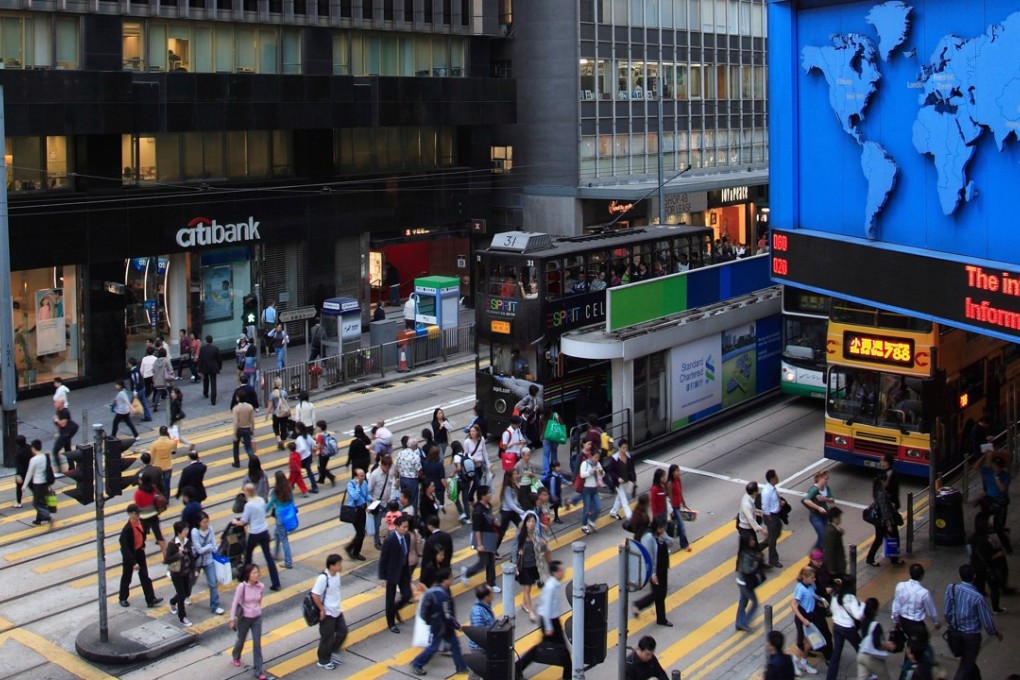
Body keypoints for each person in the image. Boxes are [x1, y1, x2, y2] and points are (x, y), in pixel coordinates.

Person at [945, 563, 1003, 680]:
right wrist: (995, 632)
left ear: (960, 575)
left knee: (969, 659)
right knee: (966, 663)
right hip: (972, 636)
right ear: (974, 577)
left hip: (956, 632)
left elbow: (947, 612)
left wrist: (952, 623)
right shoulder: (977, 597)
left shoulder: (951, 588)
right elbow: (986, 620)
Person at [517, 560, 570, 680]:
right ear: (555, 573)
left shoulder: (554, 584)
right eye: (561, 570)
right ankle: (569, 676)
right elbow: (546, 609)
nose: (563, 572)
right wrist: (549, 627)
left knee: (540, 648)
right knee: (563, 651)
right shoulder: (551, 586)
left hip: (552, 620)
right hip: (550, 622)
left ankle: (517, 667)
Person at [410, 568, 467, 676]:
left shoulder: (437, 589)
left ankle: (461, 667)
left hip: (440, 623)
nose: (452, 578)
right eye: (450, 577)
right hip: (441, 625)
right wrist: (457, 626)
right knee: (434, 646)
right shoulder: (441, 595)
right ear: (445, 580)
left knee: (455, 644)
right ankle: (417, 663)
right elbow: (446, 614)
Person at [232, 483, 282, 592]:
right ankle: (276, 583)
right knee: (268, 558)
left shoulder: (248, 505)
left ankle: (243, 579)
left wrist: (235, 522)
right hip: (264, 532)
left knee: (248, 557)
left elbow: (243, 521)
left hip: (254, 534)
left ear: (247, 492)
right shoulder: (261, 500)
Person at [117, 504, 162, 608]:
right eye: (135, 513)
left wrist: (142, 544)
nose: (138, 514)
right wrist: (133, 562)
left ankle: (150, 599)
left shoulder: (141, 522)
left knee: (145, 576)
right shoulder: (127, 529)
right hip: (130, 555)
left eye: (138, 512)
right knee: (127, 577)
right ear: (130, 514)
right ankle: (122, 598)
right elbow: (125, 548)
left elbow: (143, 534)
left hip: (140, 552)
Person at [633, 518, 674, 626]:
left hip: (663, 568)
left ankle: (661, 619)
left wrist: (664, 536)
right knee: (657, 593)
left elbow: (671, 543)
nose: (663, 529)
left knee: (662, 593)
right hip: (655, 570)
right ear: (656, 527)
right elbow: (649, 557)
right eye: (661, 528)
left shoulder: (660, 536)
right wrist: (652, 574)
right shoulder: (649, 538)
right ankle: (638, 604)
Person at [229, 563, 267, 680]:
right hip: (244, 618)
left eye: (257, 572)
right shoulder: (242, 587)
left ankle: (258, 671)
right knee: (241, 639)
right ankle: (236, 656)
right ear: (248, 575)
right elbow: (235, 603)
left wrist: (257, 610)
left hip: (257, 618)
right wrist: (231, 619)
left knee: (257, 644)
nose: (256, 575)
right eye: (254, 573)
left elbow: (259, 601)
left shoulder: (261, 586)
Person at [312, 554, 349, 669]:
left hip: (337, 610)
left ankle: (332, 651)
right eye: (338, 564)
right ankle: (323, 660)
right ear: (332, 566)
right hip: (327, 613)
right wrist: (322, 610)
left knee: (343, 632)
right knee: (327, 638)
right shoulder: (323, 578)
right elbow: (315, 594)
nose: (340, 566)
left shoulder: (337, 575)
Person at [379, 514, 414, 633]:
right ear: (397, 527)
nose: (406, 529)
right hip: (392, 574)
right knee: (390, 599)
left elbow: (406, 553)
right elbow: (383, 559)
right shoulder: (390, 540)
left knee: (407, 595)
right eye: (404, 527)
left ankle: (395, 609)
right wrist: (382, 577)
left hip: (404, 571)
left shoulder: (407, 537)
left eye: (407, 527)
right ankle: (391, 623)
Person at [791, 566, 829, 675]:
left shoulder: (811, 585)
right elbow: (793, 605)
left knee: (810, 641)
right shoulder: (800, 588)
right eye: (812, 577)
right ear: (805, 577)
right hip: (803, 617)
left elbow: (812, 596)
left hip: (812, 616)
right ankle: (796, 661)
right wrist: (803, 620)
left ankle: (801, 661)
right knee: (804, 642)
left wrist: (820, 602)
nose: (814, 579)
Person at [462, 485, 500, 593]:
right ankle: (467, 572)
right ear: (483, 496)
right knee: (483, 562)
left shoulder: (488, 505)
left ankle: (491, 583)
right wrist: (479, 544)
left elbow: (490, 516)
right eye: (488, 493)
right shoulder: (478, 511)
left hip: (490, 536)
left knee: (491, 561)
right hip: (482, 538)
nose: (490, 494)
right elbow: (476, 529)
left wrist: (494, 521)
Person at [891, 563, 941, 645]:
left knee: (912, 642)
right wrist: (936, 623)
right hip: (916, 624)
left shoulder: (900, 586)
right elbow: (932, 612)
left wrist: (896, 621)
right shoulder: (924, 593)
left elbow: (896, 605)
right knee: (919, 645)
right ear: (922, 576)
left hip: (903, 621)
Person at [826, 578, 864, 680]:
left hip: (836, 627)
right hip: (848, 628)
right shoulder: (850, 598)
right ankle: (869, 674)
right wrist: (863, 605)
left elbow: (831, 609)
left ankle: (830, 677)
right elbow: (857, 616)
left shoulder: (835, 595)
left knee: (836, 654)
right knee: (861, 650)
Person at [866, 471, 904, 566]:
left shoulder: (877, 491)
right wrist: (889, 524)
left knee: (880, 539)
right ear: (883, 481)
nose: (887, 482)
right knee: (892, 538)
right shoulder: (881, 493)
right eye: (886, 481)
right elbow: (885, 510)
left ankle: (871, 558)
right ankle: (893, 559)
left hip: (879, 521)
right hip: (883, 522)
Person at [979, 449, 1012, 553]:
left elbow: (1002, 489)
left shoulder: (1005, 476)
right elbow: (975, 467)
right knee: (987, 524)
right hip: (989, 501)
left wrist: (996, 476)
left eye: (996, 466)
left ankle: (1004, 544)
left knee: (998, 525)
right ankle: (992, 543)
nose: (994, 467)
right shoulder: (988, 472)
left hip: (1000, 503)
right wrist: (984, 456)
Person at [191, 512, 224, 615]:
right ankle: (185, 595)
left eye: (207, 522)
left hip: (209, 560)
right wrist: (210, 547)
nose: (206, 524)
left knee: (213, 583)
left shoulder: (210, 529)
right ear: (199, 522)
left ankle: (215, 606)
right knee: (191, 581)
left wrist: (213, 547)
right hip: (197, 561)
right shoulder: (195, 532)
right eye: (204, 522)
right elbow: (199, 550)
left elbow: (214, 544)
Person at [165, 520, 195, 627]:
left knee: (186, 593)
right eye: (185, 530)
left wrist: (193, 570)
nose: (187, 531)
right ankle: (182, 617)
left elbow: (191, 557)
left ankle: (173, 602)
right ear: (179, 531)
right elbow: (167, 559)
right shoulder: (173, 544)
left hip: (186, 572)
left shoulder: (187, 541)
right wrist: (178, 554)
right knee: (182, 595)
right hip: (177, 574)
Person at [856, 597, 896, 680]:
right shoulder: (876, 625)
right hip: (871, 658)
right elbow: (876, 644)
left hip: (861, 654)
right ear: (875, 610)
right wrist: (888, 646)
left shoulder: (863, 621)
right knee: (885, 678)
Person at [516, 512, 545, 622]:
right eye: (529, 522)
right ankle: (531, 612)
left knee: (529, 587)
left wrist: (541, 542)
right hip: (524, 567)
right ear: (525, 523)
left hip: (534, 565)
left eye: (533, 522)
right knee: (527, 589)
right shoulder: (521, 536)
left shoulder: (536, 533)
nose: (531, 524)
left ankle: (524, 604)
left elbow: (537, 550)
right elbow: (515, 551)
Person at [735, 532, 765, 632]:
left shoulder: (747, 552)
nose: (753, 541)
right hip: (744, 583)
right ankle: (744, 623)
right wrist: (756, 562)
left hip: (741, 581)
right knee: (755, 602)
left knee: (743, 601)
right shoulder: (747, 555)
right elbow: (747, 570)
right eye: (751, 540)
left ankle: (739, 623)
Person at [266, 471, 296, 569]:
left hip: (280, 517)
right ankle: (276, 553)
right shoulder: (289, 488)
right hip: (288, 516)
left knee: (284, 539)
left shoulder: (276, 492)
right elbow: (292, 502)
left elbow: (268, 506)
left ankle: (288, 562)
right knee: (277, 534)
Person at [22, 439, 54, 528]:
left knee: (36, 503)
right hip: (45, 483)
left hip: (38, 484)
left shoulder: (34, 460)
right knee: (41, 501)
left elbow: (29, 473)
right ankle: (38, 520)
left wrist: (24, 486)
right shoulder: (45, 456)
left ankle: (47, 517)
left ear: (33, 448)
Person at [467, 584, 495, 680]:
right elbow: (479, 632)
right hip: (479, 648)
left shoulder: (486, 606)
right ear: (486, 596)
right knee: (475, 675)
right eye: (491, 593)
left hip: (486, 646)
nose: (493, 594)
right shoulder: (477, 612)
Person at [803, 470, 835, 551]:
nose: (827, 481)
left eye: (828, 479)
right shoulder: (814, 489)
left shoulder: (826, 488)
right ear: (819, 478)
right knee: (822, 535)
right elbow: (806, 500)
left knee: (823, 537)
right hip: (815, 516)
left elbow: (832, 500)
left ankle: (816, 553)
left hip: (824, 515)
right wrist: (818, 508)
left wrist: (825, 499)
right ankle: (816, 553)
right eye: (825, 479)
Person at [367, 454, 394, 549]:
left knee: (392, 520)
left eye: (389, 467)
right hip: (378, 503)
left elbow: (391, 484)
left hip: (387, 501)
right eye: (386, 467)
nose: (387, 469)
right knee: (377, 523)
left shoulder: (389, 472)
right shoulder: (375, 475)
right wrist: (371, 500)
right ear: (382, 465)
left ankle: (390, 538)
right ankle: (377, 542)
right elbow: (369, 489)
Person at [606, 439, 636, 521]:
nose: (625, 449)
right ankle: (630, 518)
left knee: (620, 497)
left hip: (627, 481)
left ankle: (613, 511)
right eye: (623, 448)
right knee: (624, 500)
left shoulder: (630, 457)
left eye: (626, 447)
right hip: (618, 483)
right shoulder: (614, 459)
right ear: (619, 448)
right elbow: (610, 471)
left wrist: (634, 479)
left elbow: (632, 469)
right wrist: (617, 478)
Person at [344, 468, 369, 561]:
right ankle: (353, 550)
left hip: (362, 509)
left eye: (364, 475)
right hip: (355, 511)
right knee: (361, 533)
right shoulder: (351, 484)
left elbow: (366, 495)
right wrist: (358, 486)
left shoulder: (365, 483)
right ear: (356, 477)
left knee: (362, 533)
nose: (363, 477)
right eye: (361, 476)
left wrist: (372, 499)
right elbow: (355, 496)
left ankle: (353, 550)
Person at [667, 462, 692, 551]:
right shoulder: (670, 483)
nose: (679, 472)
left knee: (676, 525)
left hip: (678, 506)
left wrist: (684, 503)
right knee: (681, 525)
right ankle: (684, 544)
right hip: (674, 507)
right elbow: (669, 497)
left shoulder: (678, 480)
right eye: (677, 471)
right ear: (673, 472)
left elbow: (680, 492)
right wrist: (672, 510)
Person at [761, 469, 784, 568]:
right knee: (773, 539)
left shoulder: (772, 488)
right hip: (771, 516)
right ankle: (773, 559)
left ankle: (758, 548)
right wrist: (769, 518)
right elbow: (765, 506)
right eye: (776, 476)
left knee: (776, 534)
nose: (778, 478)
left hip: (775, 515)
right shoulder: (767, 491)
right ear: (772, 479)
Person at [738, 481, 768, 553]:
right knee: (752, 549)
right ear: (754, 492)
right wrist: (762, 530)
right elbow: (750, 519)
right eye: (757, 489)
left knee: (754, 548)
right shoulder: (747, 504)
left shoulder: (748, 497)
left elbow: (753, 510)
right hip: (746, 529)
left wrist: (762, 513)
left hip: (749, 528)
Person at [580, 448, 604, 535]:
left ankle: (591, 521)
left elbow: (603, 473)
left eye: (598, 458)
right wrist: (590, 472)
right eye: (595, 457)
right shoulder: (585, 463)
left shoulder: (598, 464)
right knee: (586, 509)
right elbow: (582, 474)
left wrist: (601, 472)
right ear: (591, 456)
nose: (596, 459)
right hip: (586, 489)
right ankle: (584, 525)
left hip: (595, 489)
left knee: (598, 507)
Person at [51, 398, 77, 474]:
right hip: (65, 433)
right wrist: (58, 432)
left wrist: (56, 420)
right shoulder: (58, 411)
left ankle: (59, 470)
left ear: (61, 404)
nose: (55, 404)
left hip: (66, 434)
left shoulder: (65, 412)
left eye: (56, 402)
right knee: (68, 449)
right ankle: (72, 467)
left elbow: (63, 424)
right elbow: (61, 426)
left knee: (55, 451)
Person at [396, 437, 423, 510]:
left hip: (402, 479)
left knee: (404, 499)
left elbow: (397, 468)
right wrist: (423, 478)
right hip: (412, 481)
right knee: (413, 501)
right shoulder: (415, 456)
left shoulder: (400, 453)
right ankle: (412, 518)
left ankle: (404, 514)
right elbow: (418, 471)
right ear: (415, 446)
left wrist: (397, 479)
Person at [294, 422, 319, 494]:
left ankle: (294, 485)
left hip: (302, 459)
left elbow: (302, 448)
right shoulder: (307, 435)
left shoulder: (299, 438)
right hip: (309, 457)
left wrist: (297, 453)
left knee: (296, 472)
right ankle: (314, 487)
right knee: (309, 472)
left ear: (298, 429)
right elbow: (314, 443)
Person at [822, 506, 847, 579]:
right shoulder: (831, 532)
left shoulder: (832, 528)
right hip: (837, 566)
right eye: (839, 517)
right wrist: (831, 569)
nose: (840, 520)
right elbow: (829, 551)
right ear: (835, 518)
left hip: (838, 564)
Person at [231, 397, 255, 468]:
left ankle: (237, 463)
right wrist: (252, 430)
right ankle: (253, 461)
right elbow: (252, 420)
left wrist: (234, 433)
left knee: (236, 447)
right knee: (248, 447)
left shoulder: (236, 408)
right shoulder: (250, 407)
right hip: (247, 428)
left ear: (238, 398)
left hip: (239, 429)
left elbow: (235, 422)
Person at [197, 335, 222, 405]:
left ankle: (205, 392)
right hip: (214, 367)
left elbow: (200, 359)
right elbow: (219, 359)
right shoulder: (215, 349)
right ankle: (213, 399)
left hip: (205, 367)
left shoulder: (203, 349)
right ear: (212, 341)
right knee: (213, 383)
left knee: (206, 379)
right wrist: (219, 367)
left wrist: (199, 369)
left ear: (206, 341)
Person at [542, 460, 568, 524]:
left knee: (556, 505)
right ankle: (554, 517)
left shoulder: (558, 475)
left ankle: (554, 516)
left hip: (557, 494)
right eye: (557, 467)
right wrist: (553, 496)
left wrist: (568, 483)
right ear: (553, 468)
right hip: (554, 495)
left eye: (559, 466)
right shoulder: (553, 478)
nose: (559, 468)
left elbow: (562, 480)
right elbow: (552, 488)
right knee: (554, 505)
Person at [268, 378, 291, 450]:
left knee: (275, 427)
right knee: (283, 428)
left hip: (276, 414)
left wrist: (267, 415)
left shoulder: (272, 394)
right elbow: (286, 403)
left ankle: (279, 440)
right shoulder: (284, 393)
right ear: (280, 384)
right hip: (284, 413)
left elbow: (270, 406)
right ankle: (283, 443)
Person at [128, 357, 152, 422]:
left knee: (130, 403)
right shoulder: (137, 369)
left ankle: (125, 416)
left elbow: (135, 380)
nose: (128, 365)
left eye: (128, 364)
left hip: (137, 390)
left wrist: (135, 390)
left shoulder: (133, 371)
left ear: (130, 364)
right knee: (144, 403)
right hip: (142, 388)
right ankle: (148, 416)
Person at [314, 420, 337, 487]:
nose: (316, 428)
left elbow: (318, 446)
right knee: (323, 466)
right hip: (328, 453)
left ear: (320, 428)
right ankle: (321, 479)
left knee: (322, 468)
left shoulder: (320, 436)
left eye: (317, 427)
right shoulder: (326, 433)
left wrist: (314, 450)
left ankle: (331, 476)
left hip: (323, 453)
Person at [151, 347, 173, 412]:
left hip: (158, 380)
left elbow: (153, 370)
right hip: (166, 379)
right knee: (170, 391)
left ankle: (155, 406)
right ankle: (171, 405)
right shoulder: (166, 360)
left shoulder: (156, 361)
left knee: (158, 392)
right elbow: (170, 369)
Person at [13, 435, 31, 508]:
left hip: (22, 472)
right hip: (30, 470)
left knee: (19, 487)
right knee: (33, 486)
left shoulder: (19, 453)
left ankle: (19, 502)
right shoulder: (29, 447)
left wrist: (18, 475)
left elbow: (19, 465)